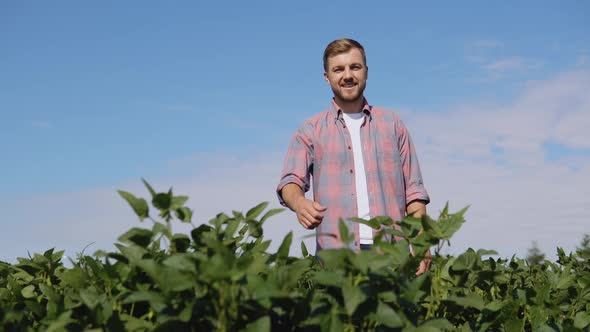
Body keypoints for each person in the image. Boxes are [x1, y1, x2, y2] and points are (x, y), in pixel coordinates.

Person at [276, 38, 431, 274]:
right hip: (337, 259)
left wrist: (421, 243)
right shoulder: (310, 130)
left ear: (366, 72)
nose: (347, 75)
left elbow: (414, 191)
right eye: (338, 69)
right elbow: (290, 182)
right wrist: (299, 203)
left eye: (355, 67)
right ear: (327, 77)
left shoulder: (393, 124)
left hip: (392, 255)